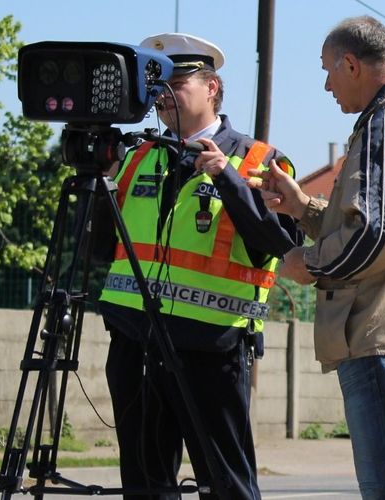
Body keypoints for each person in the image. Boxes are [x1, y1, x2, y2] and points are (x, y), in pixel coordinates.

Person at [249, 16, 385, 499]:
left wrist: (309, 263)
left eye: (329, 71)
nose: (326, 85)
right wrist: (304, 208)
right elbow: (380, 226)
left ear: (351, 64)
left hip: (381, 330)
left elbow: (376, 234)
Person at [94, 32, 297, 500]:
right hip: (135, 343)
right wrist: (100, 184)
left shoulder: (260, 161)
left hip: (211, 347)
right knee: (144, 486)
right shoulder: (137, 157)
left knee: (225, 485)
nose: (165, 93)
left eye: (178, 80)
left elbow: (278, 244)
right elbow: (101, 250)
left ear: (213, 88)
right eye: (158, 82)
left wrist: (226, 178)